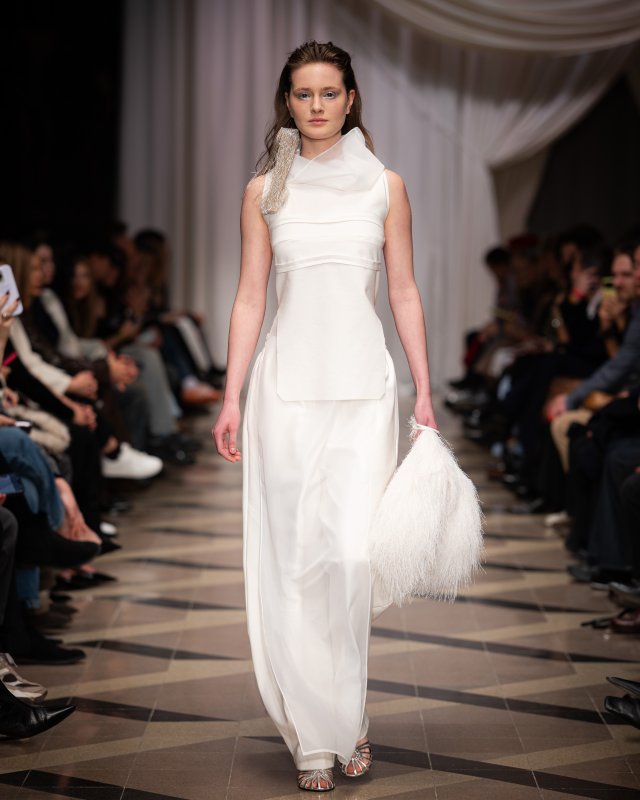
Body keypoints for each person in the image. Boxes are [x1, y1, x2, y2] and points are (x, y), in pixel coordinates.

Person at [212, 41, 436, 792]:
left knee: (349, 560)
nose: (316, 106)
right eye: (303, 94)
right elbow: (250, 296)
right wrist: (231, 395)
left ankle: (349, 711)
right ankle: (317, 736)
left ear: (350, 99)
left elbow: (403, 290)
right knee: (295, 562)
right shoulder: (264, 191)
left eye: (329, 93)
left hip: (365, 392)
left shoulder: (384, 186)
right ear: (288, 100)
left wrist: (425, 391)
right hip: (284, 394)